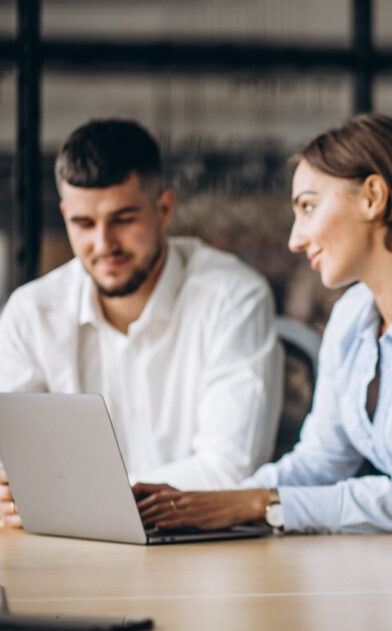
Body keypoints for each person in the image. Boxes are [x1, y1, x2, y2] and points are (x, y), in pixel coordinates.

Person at [133, 113, 392, 534]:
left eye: (308, 207)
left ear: (373, 197)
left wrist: (259, 504)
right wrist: (217, 504)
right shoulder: (350, 318)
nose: (295, 238)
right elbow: (322, 460)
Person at [0, 119, 282, 528]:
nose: (103, 244)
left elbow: (229, 473)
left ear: (164, 209)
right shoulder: (30, 313)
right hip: (70, 551)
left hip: (202, 554)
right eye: (83, 224)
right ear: (65, 216)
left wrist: (66, 500)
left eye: (123, 219)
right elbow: (15, 469)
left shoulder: (234, 298)